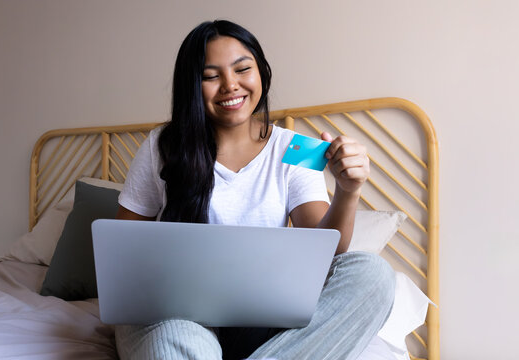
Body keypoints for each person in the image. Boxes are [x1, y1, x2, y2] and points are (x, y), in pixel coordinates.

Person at [114, 20, 395, 360]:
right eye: (210, 76)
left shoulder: (295, 149)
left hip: (264, 322)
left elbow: (327, 252)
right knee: (180, 340)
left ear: (261, 72)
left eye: (242, 69)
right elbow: (124, 253)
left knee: (373, 275)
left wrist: (348, 191)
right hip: (179, 317)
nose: (230, 86)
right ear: (192, 85)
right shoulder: (163, 145)